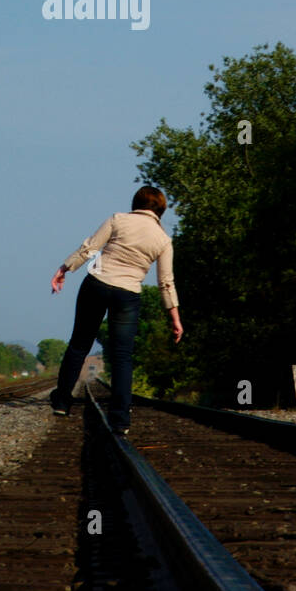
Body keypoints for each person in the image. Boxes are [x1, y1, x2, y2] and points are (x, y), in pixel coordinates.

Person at [48, 185, 183, 436]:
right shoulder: (163, 240)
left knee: (79, 344)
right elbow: (166, 282)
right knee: (122, 356)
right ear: (161, 210)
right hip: (128, 294)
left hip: (96, 285)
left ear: (136, 203)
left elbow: (89, 248)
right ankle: (120, 419)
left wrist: (65, 269)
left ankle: (62, 403)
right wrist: (174, 317)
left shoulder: (118, 219)